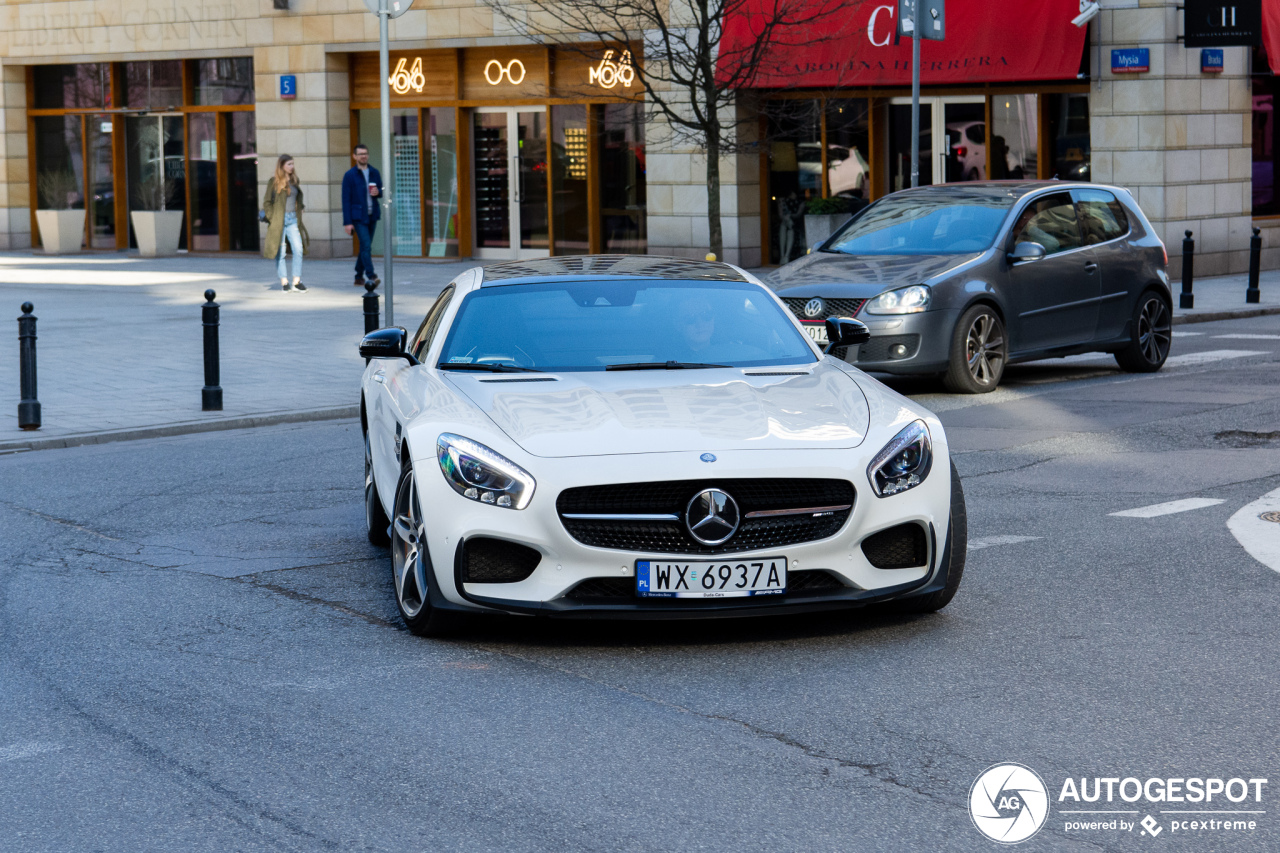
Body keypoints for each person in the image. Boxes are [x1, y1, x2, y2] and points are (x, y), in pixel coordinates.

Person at [261, 154, 309, 292]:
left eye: (293, 164)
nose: (292, 167)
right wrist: (272, 217)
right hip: (279, 221)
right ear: (282, 166)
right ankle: (284, 282)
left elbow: (297, 199)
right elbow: (266, 202)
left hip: (293, 219)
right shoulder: (274, 182)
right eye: (289, 164)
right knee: (280, 252)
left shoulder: (294, 180)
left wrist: (301, 208)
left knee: (298, 249)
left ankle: (297, 281)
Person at [342, 143, 382, 287]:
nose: (363, 156)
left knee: (365, 246)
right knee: (366, 245)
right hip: (358, 217)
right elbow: (345, 200)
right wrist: (347, 222)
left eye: (365, 153)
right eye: (360, 154)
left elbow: (381, 190)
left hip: (372, 215)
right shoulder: (349, 175)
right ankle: (371, 275)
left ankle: (358, 276)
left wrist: (378, 192)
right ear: (355, 156)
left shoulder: (374, 172)